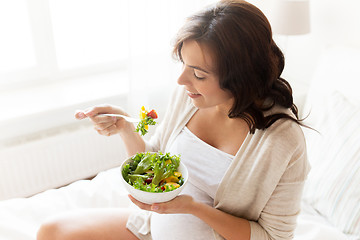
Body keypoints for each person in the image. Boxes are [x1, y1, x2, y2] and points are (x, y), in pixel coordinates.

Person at [37, 0, 310, 239]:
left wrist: (192, 208)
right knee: (52, 232)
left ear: (241, 77)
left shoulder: (283, 140)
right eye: (183, 64)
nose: (181, 80)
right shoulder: (191, 97)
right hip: (154, 228)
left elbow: (273, 238)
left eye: (199, 74)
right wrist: (127, 129)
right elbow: (154, 159)